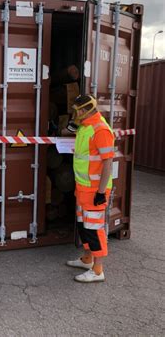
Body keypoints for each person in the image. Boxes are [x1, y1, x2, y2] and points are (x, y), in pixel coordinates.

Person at [66, 94, 115, 283]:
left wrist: (101, 193)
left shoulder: (100, 130)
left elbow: (108, 163)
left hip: (95, 190)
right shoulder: (85, 126)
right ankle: (87, 259)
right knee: (84, 226)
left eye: (76, 111)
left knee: (94, 229)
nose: (74, 114)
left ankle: (97, 270)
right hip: (83, 188)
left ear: (84, 110)